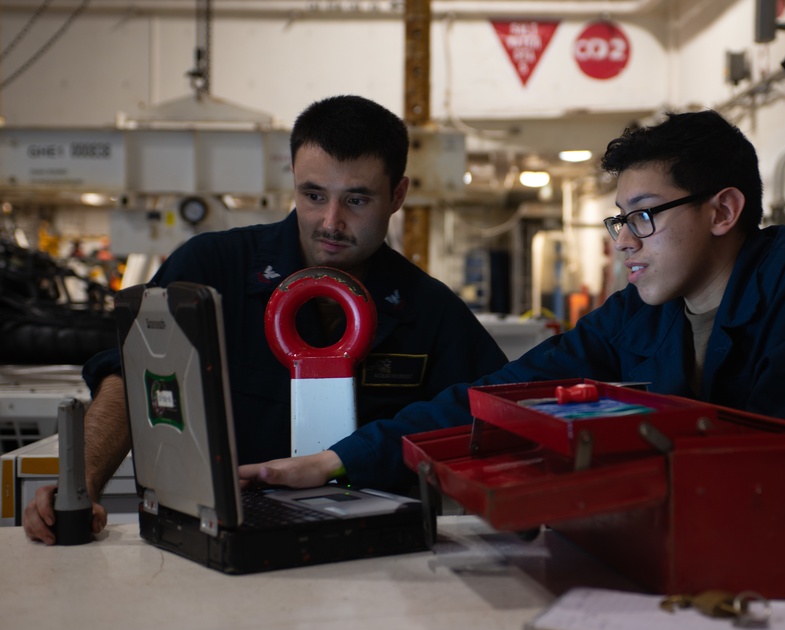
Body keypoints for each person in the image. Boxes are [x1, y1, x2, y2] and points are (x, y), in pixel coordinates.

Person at [241, 109, 785, 613]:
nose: (623, 240)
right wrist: (337, 461)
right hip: (723, 576)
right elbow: (499, 393)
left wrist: (577, 491)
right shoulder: (640, 312)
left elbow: (776, 465)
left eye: (642, 215)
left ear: (723, 210)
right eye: (618, 219)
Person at [23, 94, 508, 543]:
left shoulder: (430, 311)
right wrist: (80, 486)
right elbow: (133, 378)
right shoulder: (211, 271)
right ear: (293, 179)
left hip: (375, 555)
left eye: (357, 200)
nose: (331, 222)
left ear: (397, 194)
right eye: (314, 195)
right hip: (213, 540)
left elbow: (493, 418)